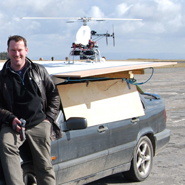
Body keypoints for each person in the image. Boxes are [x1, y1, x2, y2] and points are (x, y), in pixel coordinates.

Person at [0, 35, 62, 185]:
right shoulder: (2, 77)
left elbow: (54, 95)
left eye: (20, 50)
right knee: (5, 143)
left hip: (39, 123)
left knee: (45, 167)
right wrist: (10, 119)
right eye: (13, 50)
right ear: (8, 51)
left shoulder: (39, 71)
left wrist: (49, 120)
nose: (17, 54)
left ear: (26, 50)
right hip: (14, 125)